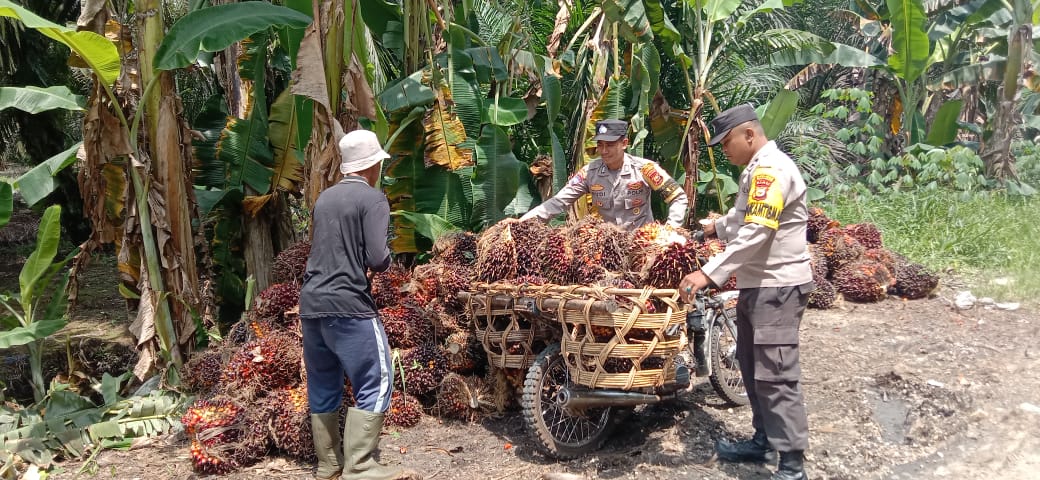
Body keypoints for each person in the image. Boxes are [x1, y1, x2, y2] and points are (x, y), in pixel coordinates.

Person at [677, 104, 814, 480]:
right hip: (760, 284)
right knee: (753, 368)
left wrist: (709, 273)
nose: (724, 151)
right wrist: (712, 230)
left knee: (776, 373)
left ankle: (791, 464)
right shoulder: (755, 170)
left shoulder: (771, 169)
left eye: (727, 143)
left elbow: (757, 232)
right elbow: (743, 218)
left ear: (749, 135)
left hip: (779, 286)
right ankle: (762, 439)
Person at [300, 129, 420, 480]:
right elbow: (377, 258)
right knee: (377, 378)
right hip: (349, 304)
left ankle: (328, 465)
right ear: (372, 166)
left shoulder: (324, 199)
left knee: (324, 382)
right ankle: (361, 466)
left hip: (311, 305)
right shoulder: (373, 199)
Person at [520, 119, 688, 229]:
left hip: (642, 245)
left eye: (610, 145)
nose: (604, 151)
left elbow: (678, 197)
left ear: (624, 143)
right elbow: (557, 203)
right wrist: (521, 224)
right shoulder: (589, 173)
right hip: (609, 248)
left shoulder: (645, 169)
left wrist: (670, 230)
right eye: (600, 145)